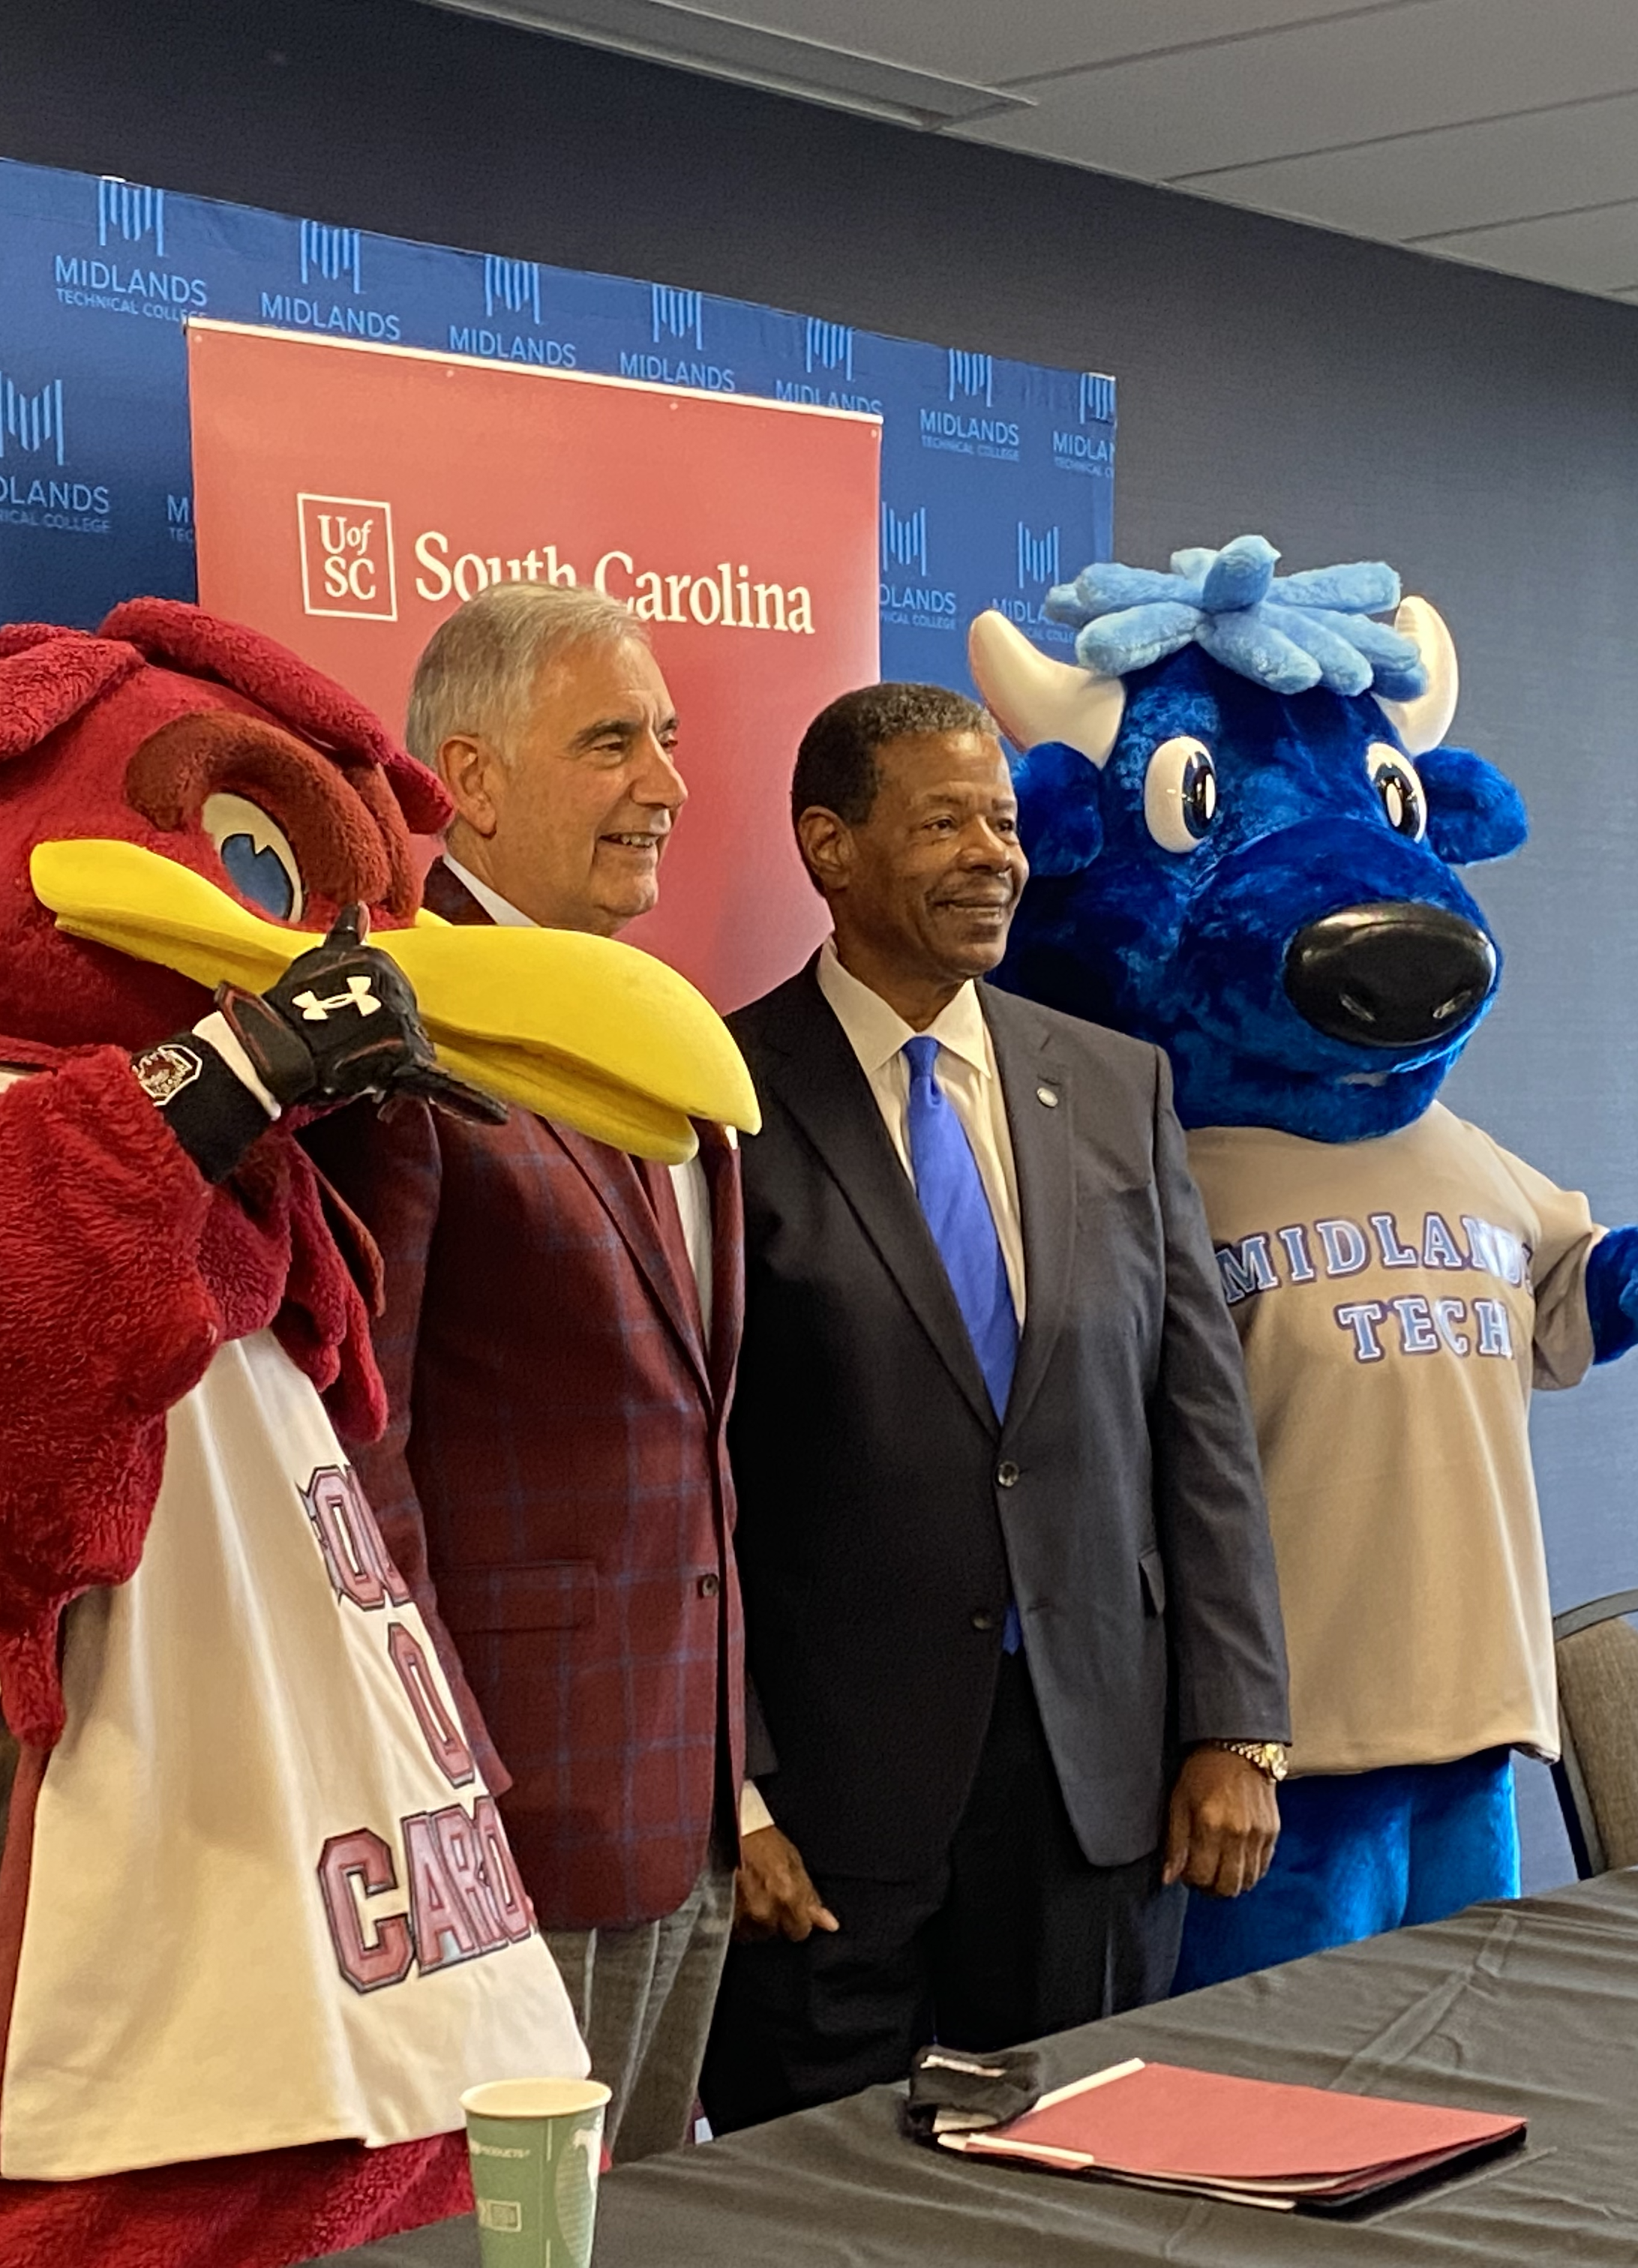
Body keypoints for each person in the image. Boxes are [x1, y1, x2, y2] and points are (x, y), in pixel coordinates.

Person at [699, 682, 1292, 2131]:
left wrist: (1238, 1724)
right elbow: (684, 1477)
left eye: (1006, 822)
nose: (993, 855)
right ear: (827, 847)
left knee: (1088, 2166)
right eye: (945, 820)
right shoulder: (714, 1095)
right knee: (834, 2203)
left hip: (1097, 1784)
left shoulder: (1114, 1085)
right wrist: (741, 1792)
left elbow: (1199, 1430)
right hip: (837, 1807)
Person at [310, 582, 748, 2168]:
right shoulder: (402, 1040)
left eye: (672, 742)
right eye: (613, 743)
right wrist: (451, 1784)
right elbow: (361, 1452)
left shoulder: (658, 1027)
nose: (670, 787)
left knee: (636, 2225)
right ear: (473, 783)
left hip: (681, 1805)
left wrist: (737, 1783)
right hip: (513, 1816)